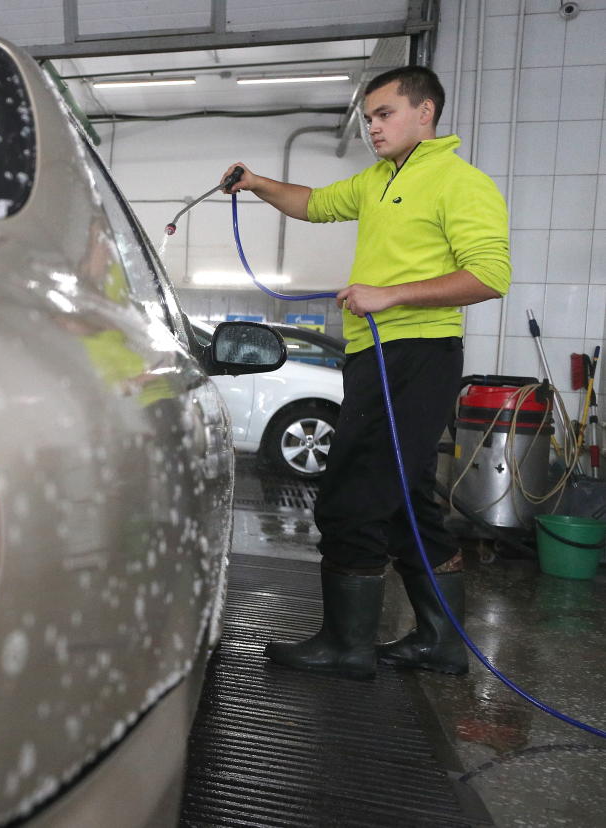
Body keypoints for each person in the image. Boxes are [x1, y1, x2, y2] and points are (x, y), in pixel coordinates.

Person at [221, 65, 511, 680]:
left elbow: (488, 276)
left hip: (417, 354)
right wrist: (255, 183)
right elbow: (314, 204)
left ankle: (347, 645)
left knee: (353, 492)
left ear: (425, 111)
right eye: (367, 117)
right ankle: (439, 642)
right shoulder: (379, 181)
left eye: (384, 114)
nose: (372, 128)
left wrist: (390, 294)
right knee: (407, 501)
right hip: (373, 355)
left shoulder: (461, 183)